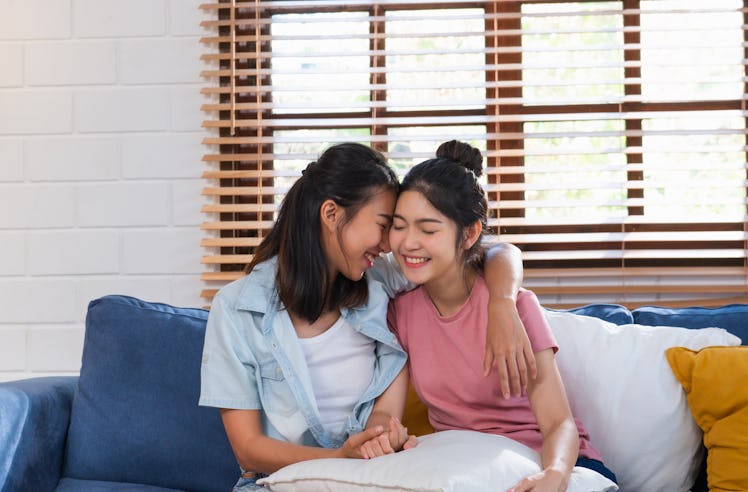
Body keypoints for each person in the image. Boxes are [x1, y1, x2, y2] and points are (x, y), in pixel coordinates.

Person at [199, 142, 533, 491]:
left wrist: (502, 302)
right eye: (384, 225)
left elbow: (492, 250)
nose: (389, 244)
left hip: (367, 478)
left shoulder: (379, 280)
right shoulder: (237, 309)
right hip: (280, 483)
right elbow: (249, 451)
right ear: (331, 214)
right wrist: (341, 458)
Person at [386, 140, 617, 492]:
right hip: (470, 468)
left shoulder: (515, 306)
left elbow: (559, 423)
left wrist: (553, 475)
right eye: (399, 226)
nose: (407, 243)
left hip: (552, 462)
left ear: (470, 234)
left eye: (428, 230)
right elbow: (387, 413)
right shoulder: (400, 312)